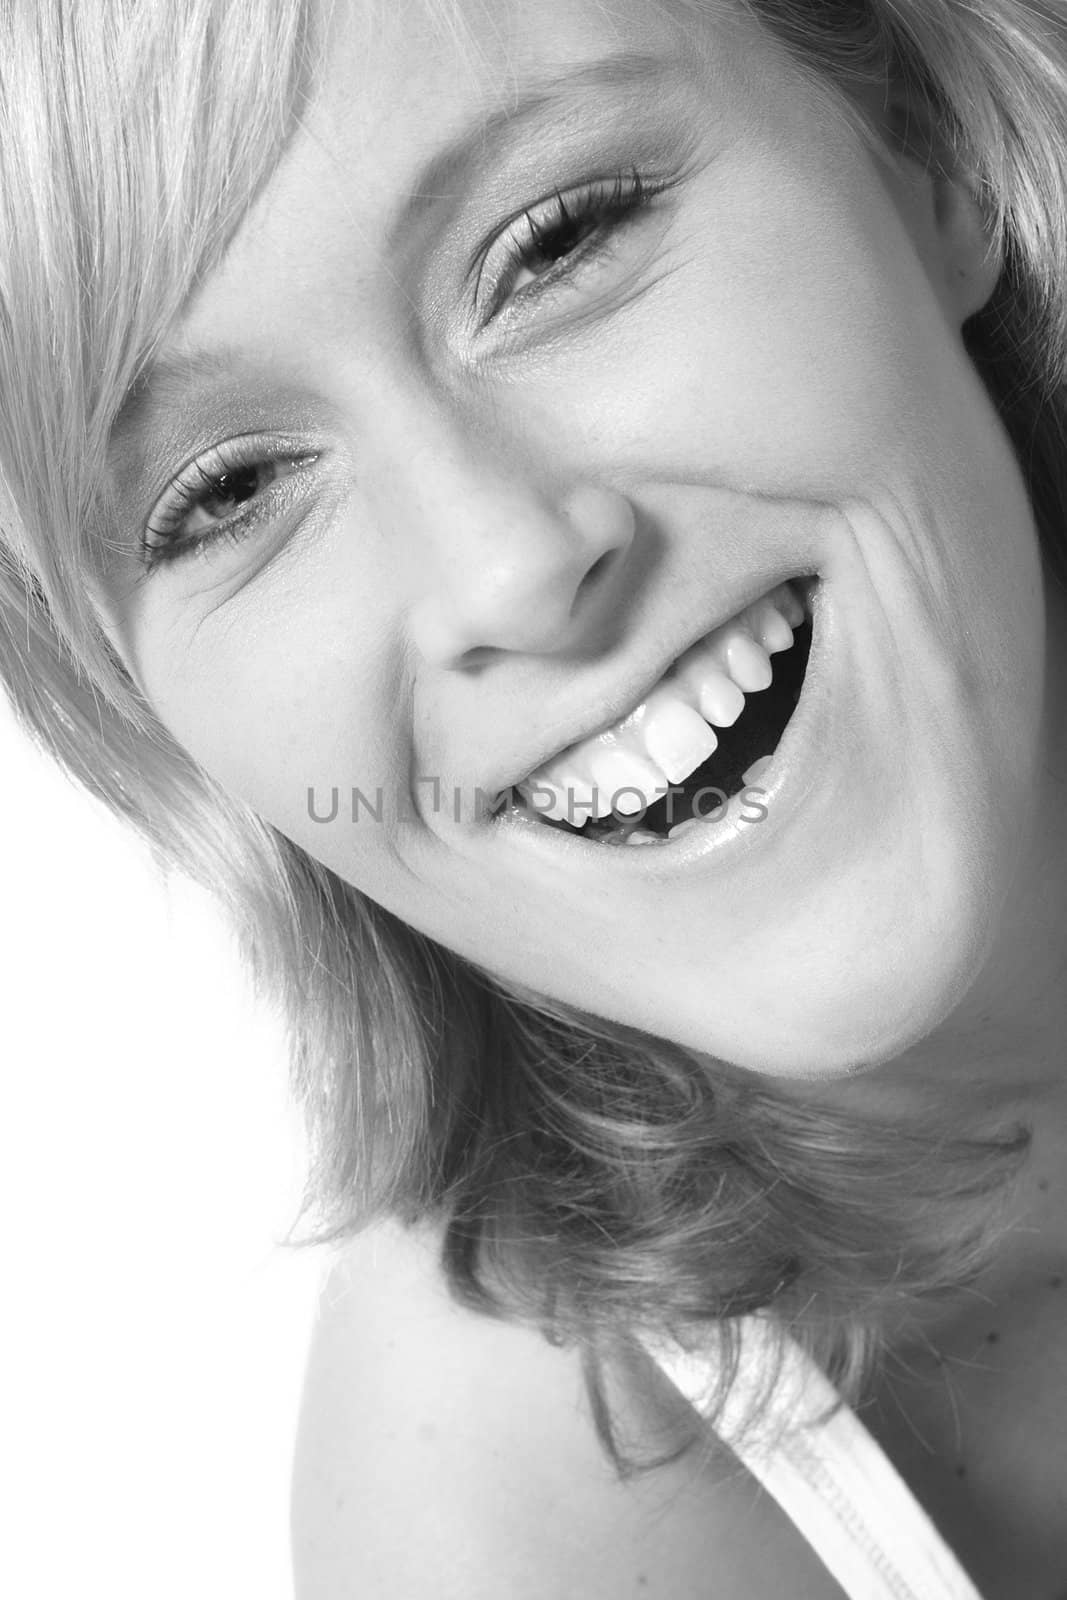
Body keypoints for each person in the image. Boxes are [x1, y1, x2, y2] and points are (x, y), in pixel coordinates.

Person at [2, 0, 1066, 1593]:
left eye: (558, 243)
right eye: (225, 492)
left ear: (924, 150)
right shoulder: (503, 1536)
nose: (508, 564)